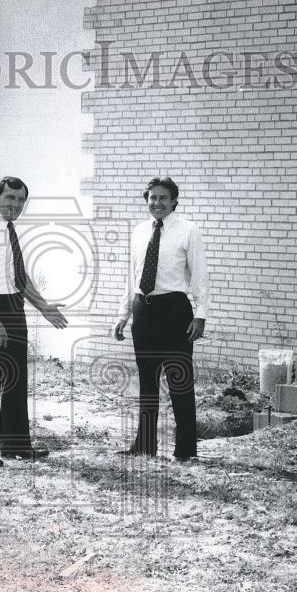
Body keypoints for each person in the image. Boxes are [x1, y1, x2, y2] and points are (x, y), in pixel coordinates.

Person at [0, 176, 69, 467]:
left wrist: (44, 307)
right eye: (10, 198)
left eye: (20, 199)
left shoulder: (11, 230)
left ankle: (15, 446)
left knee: (16, 378)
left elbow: (20, 278)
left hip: (14, 305)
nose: (15, 204)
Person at [113, 176, 209, 462]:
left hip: (174, 311)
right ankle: (144, 444)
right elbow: (131, 276)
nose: (157, 203)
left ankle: (185, 450)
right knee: (147, 381)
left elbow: (201, 276)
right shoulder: (139, 231)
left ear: (174, 201)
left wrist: (201, 315)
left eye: (163, 198)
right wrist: (123, 314)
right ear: (147, 200)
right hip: (144, 311)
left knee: (180, 382)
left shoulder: (188, 231)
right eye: (152, 197)